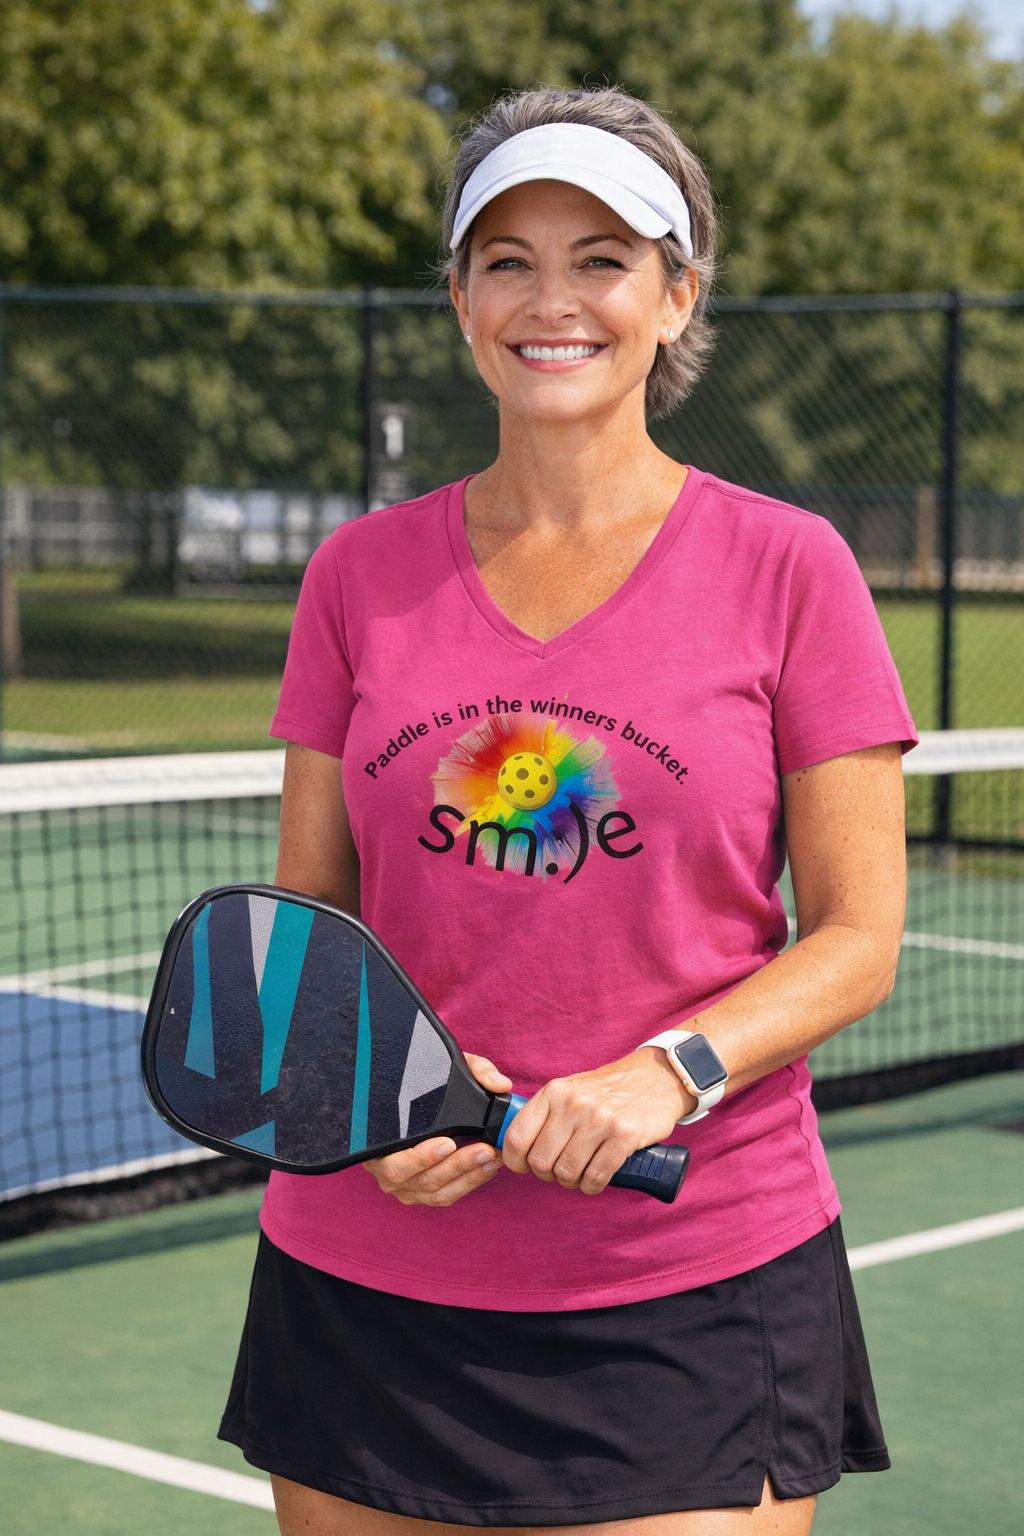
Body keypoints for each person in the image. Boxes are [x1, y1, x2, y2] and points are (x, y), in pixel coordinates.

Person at [219, 87, 916, 1536]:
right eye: (508, 259)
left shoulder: (793, 569)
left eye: (603, 257)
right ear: (464, 302)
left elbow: (858, 937)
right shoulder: (355, 575)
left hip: (689, 1280)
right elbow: (308, 927)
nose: (555, 299)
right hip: (365, 1280)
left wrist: (668, 1073)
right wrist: (358, 1109)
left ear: (678, 297)